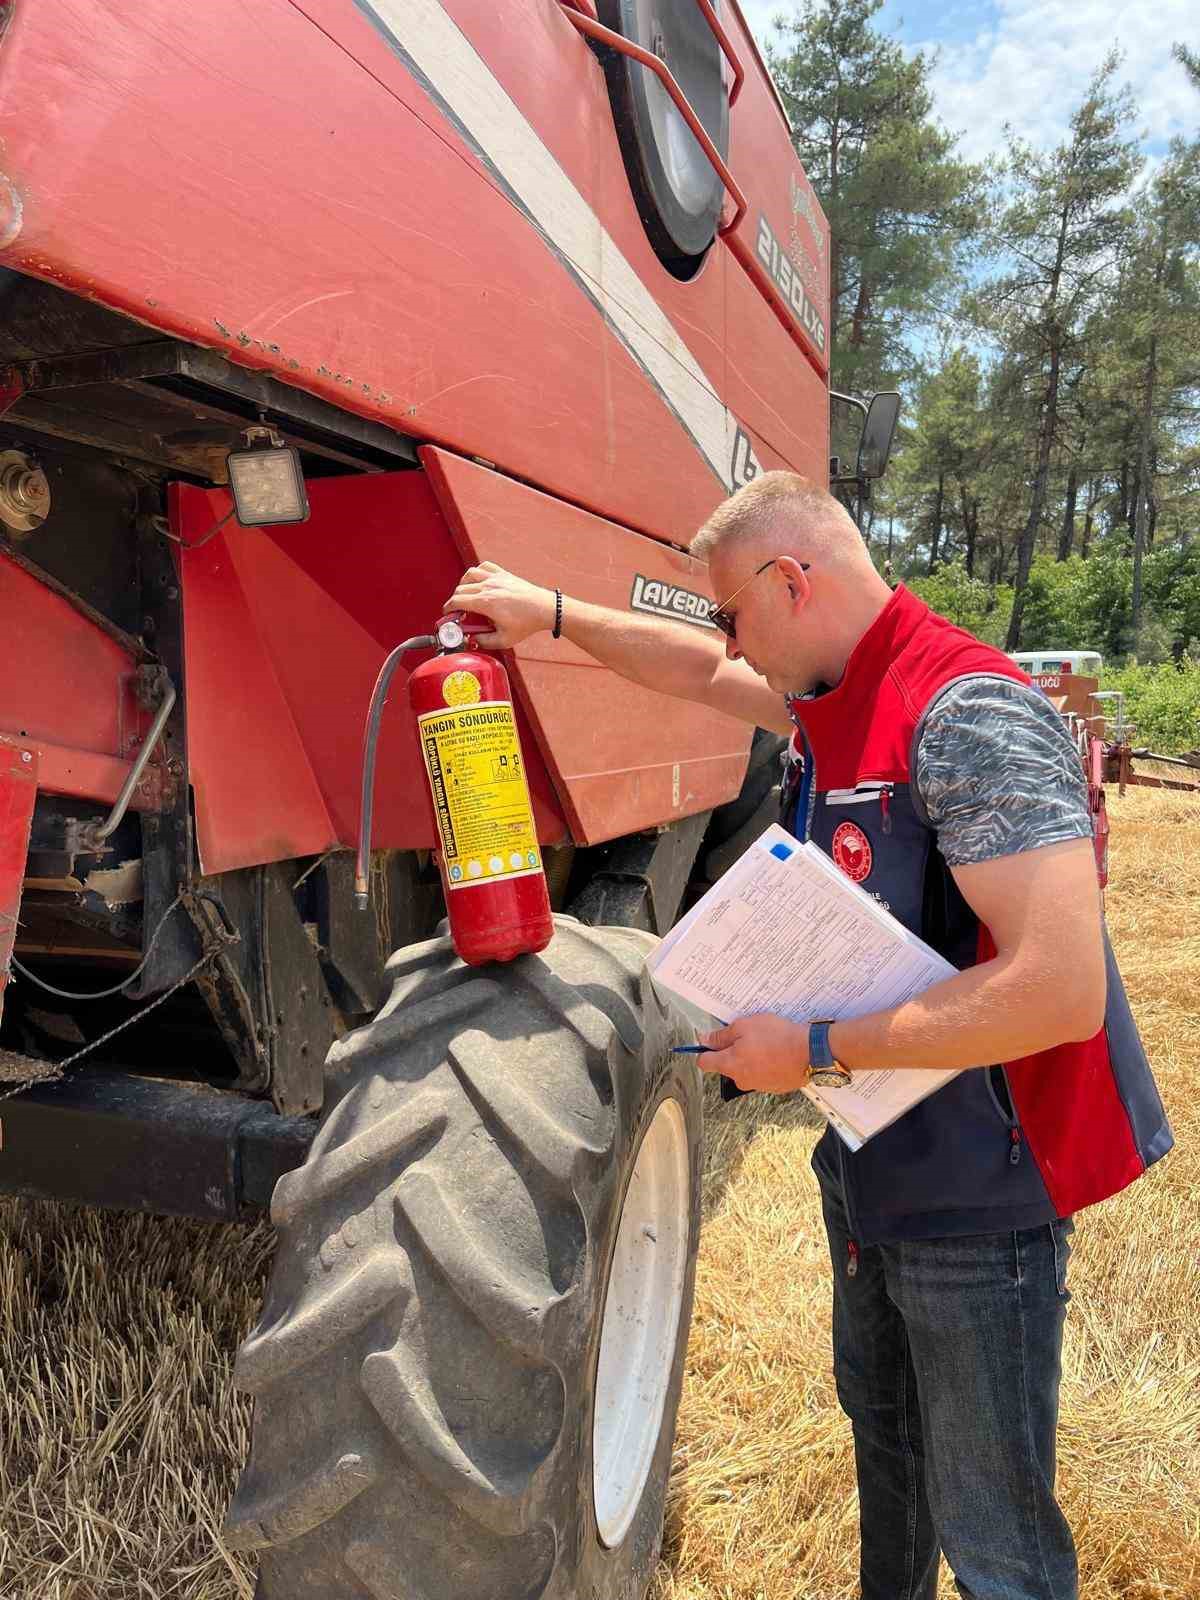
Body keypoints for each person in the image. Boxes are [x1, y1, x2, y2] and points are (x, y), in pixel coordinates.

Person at [444, 472, 1171, 1600]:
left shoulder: (962, 713)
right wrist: (548, 615)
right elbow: (694, 668)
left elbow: (1062, 989)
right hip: (877, 1165)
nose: (729, 643)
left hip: (984, 1195)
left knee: (998, 1538)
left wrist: (816, 1046)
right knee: (890, 1456)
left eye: (735, 614)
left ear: (794, 580)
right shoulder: (837, 694)